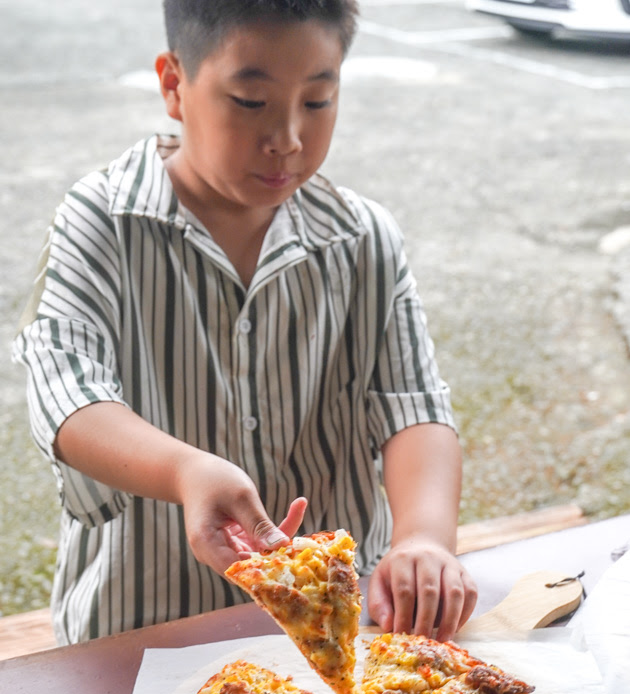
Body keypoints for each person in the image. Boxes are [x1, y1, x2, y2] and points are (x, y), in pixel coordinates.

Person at [12, 0, 477, 645]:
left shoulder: (363, 237)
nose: (287, 138)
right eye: (251, 102)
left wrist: (424, 538)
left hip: (332, 630)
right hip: (147, 626)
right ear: (175, 85)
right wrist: (183, 471)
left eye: (317, 103)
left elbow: (414, 407)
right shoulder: (104, 223)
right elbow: (69, 398)